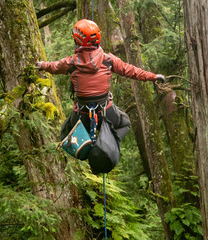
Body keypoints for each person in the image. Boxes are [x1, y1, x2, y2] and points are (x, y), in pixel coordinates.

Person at [36, 18, 165, 149]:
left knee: (65, 133)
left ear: (77, 40)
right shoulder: (108, 60)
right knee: (125, 122)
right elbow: (131, 71)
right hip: (106, 112)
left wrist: (42, 65)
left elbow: (54, 67)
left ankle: (86, 152)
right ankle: (111, 146)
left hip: (82, 114)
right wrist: (153, 76)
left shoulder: (71, 62)